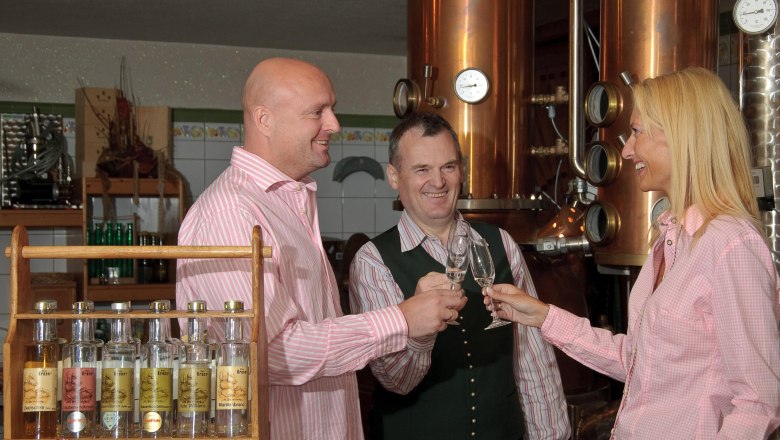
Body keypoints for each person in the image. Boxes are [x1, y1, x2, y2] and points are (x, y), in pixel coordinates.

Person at [176, 58, 466, 439]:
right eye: (318, 112)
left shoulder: (286, 203)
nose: (334, 124)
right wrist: (402, 319)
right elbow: (273, 353)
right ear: (265, 120)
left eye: (332, 109)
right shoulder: (231, 212)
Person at [486, 67, 780, 439]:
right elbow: (639, 361)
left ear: (680, 137)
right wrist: (542, 316)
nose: (625, 151)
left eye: (637, 133)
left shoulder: (730, 244)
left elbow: (758, 403)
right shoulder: (670, 239)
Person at [350, 112, 570, 439]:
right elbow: (396, 381)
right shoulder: (372, 262)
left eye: (448, 167)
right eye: (422, 169)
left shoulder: (502, 243)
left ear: (462, 171)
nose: (438, 182)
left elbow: (532, 358)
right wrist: (420, 328)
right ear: (394, 176)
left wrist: (551, 435)